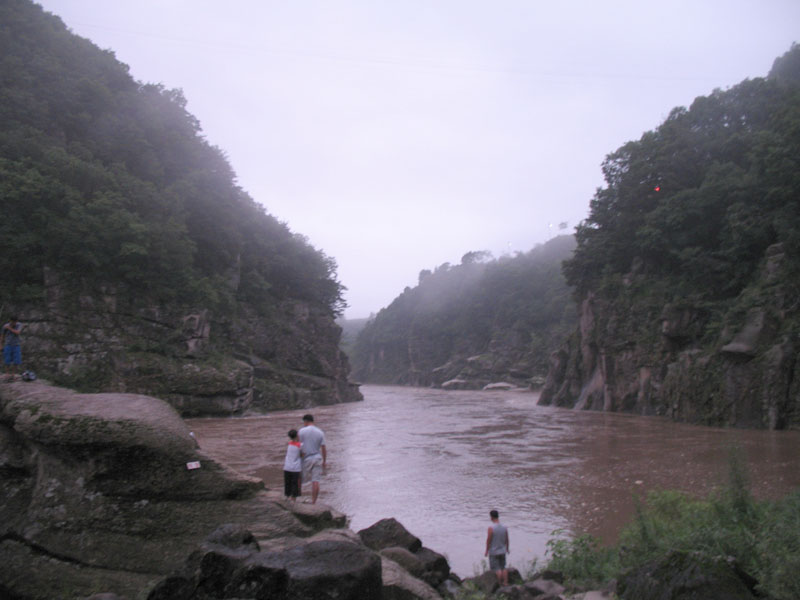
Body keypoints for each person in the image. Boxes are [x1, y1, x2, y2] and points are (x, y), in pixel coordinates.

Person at [297, 414, 326, 504]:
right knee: (315, 481)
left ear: (305, 421)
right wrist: (324, 461)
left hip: (305, 458)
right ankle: (314, 502)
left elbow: (297, 446)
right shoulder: (320, 432)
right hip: (317, 458)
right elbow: (323, 448)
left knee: (299, 479)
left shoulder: (301, 431)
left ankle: (295, 499)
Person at [485, 509, 510, 586]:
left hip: (494, 551)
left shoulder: (491, 528)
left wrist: (486, 550)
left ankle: (499, 584)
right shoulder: (504, 527)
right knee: (503, 567)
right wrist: (507, 548)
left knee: (497, 569)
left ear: (491, 517)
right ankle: (505, 582)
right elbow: (507, 539)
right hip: (502, 551)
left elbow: (488, 540)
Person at [283, 429, 302, 502]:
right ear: (297, 435)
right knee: (295, 483)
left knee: (287, 482)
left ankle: (287, 497)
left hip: (287, 466)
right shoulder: (300, 445)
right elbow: (302, 454)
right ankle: (293, 499)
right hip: (296, 468)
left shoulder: (289, 444)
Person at [2, 317, 22, 382]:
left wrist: (9, 328)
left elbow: (17, 332)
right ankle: (7, 374)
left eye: (15, 322)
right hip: (8, 344)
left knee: (16, 360)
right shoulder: (5, 326)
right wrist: (0, 344)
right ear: (10, 321)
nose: (14, 323)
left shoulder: (19, 325)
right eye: (13, 322)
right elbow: (2, 335)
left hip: (16, 344)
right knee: (7, 359)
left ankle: (14, 374)